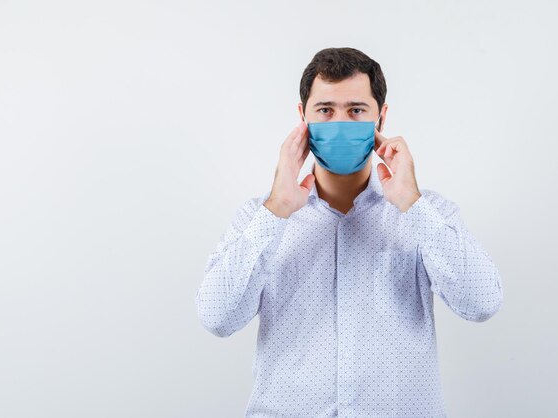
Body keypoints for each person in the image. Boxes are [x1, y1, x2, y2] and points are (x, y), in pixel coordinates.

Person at [195, 47, 503, 417]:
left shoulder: (427, 213)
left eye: (356, 110)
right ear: (302, 118)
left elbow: (482, 303)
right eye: (325, 110)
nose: (340, 122)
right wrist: (276, 209)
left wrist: (411, 202)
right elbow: (217, 318)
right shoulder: (258, 217)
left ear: (381, 118)